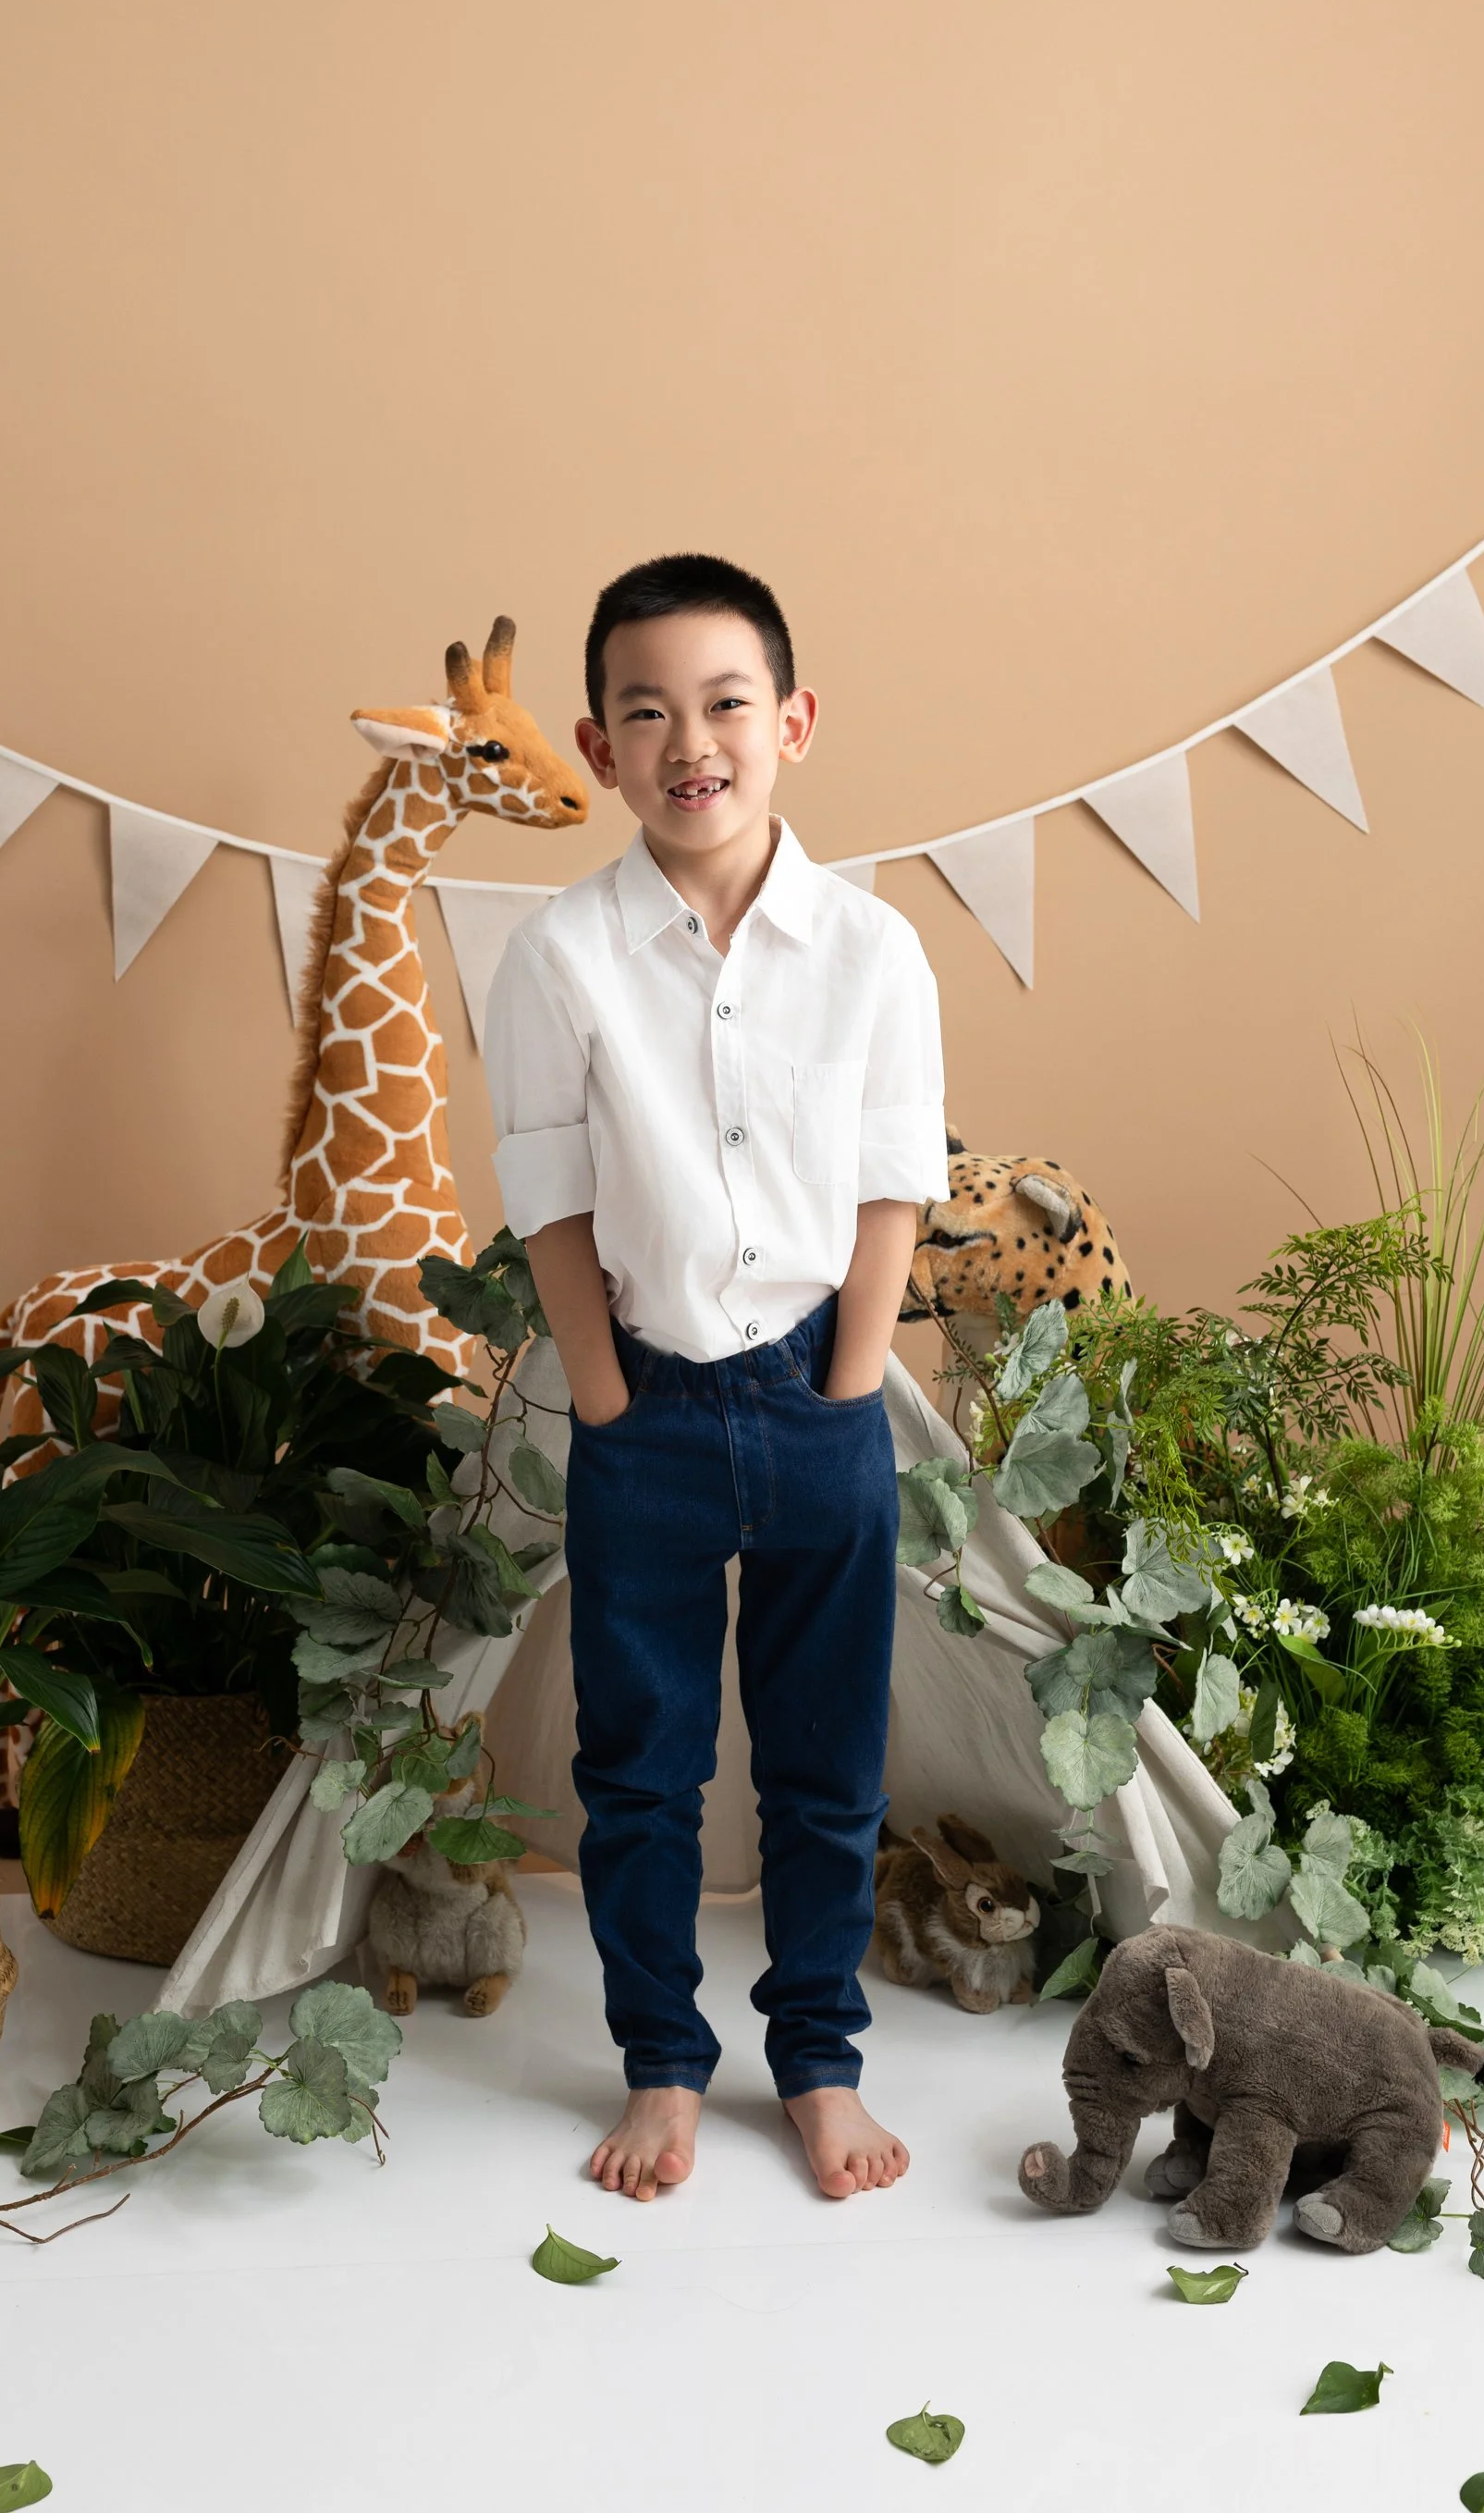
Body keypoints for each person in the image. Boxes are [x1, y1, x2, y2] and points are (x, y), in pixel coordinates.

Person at [483, 552, 947, 2202]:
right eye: (647, 712)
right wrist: (605, 1399)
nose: (692, 742)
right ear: (599, 748)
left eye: (726, 703)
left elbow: (892, 1181)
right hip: (650, 1408)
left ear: (793, 722)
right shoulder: (559, 957)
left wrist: (853, 1385)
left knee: (827, 1766)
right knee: (642, 1766)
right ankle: (663, 2064)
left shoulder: (875, 950)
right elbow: (551, 1194)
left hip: (822, 1395)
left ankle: (819, 2060)